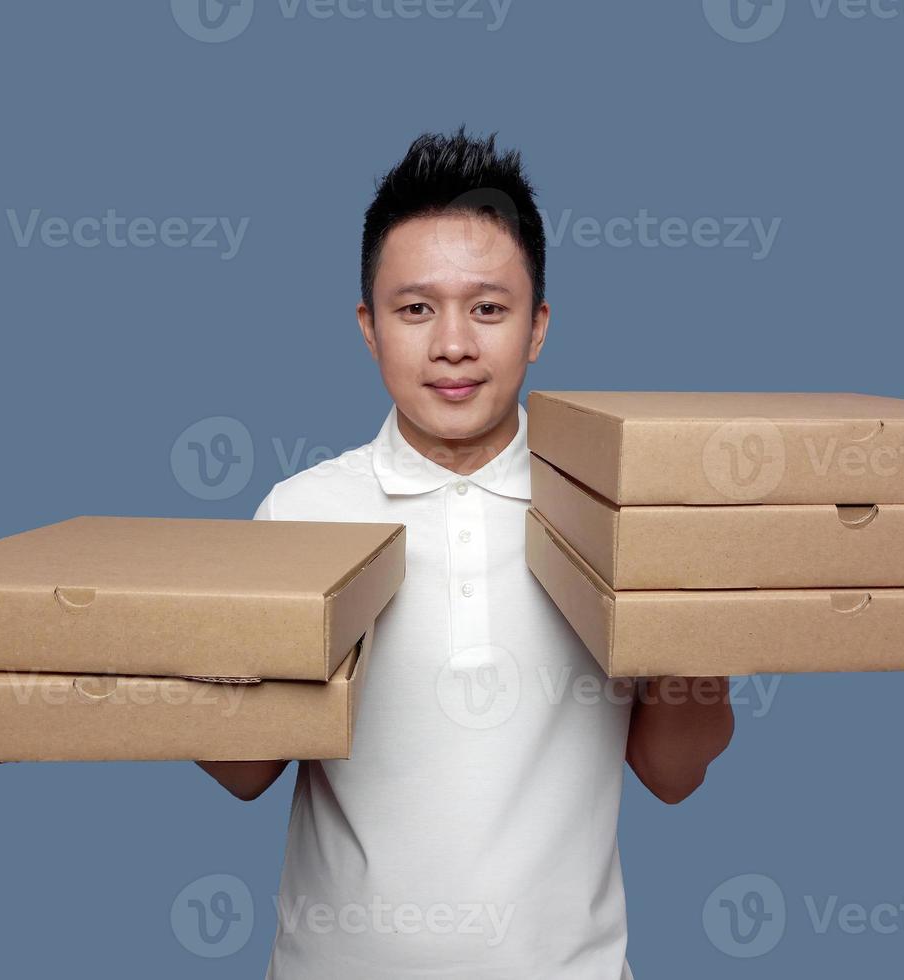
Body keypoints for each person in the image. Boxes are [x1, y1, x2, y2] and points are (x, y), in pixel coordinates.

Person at [198, 127, 735, 979]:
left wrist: (701, 617)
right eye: (416, 309)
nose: (453, 343)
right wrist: (170, 656)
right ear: (369, 328)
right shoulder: (301, 512)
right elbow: (243, 771)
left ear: (537, 327)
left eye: (488, 308)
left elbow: (674, 773)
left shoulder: (614, 510)